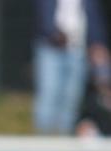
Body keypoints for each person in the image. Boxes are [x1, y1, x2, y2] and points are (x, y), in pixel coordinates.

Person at [34, 0, 109, 134]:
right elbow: (42, 14)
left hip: (78, 49)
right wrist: (54, 33)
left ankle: (64, 141)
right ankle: (43, 141)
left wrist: (97, 43)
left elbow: (93, 19)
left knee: (71, 98)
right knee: (49, 94)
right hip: (51, 48)